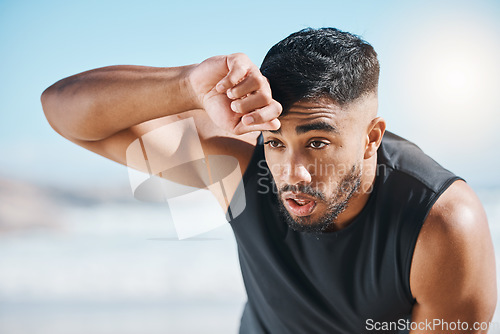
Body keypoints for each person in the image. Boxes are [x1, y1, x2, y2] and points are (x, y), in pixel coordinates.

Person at [42, 28, 496, 333]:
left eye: (318, 143)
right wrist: (187, 85)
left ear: (370, 138)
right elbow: (64, 112)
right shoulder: (240, 168)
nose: (291, 175)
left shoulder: (441, 225)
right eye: (276, 142)